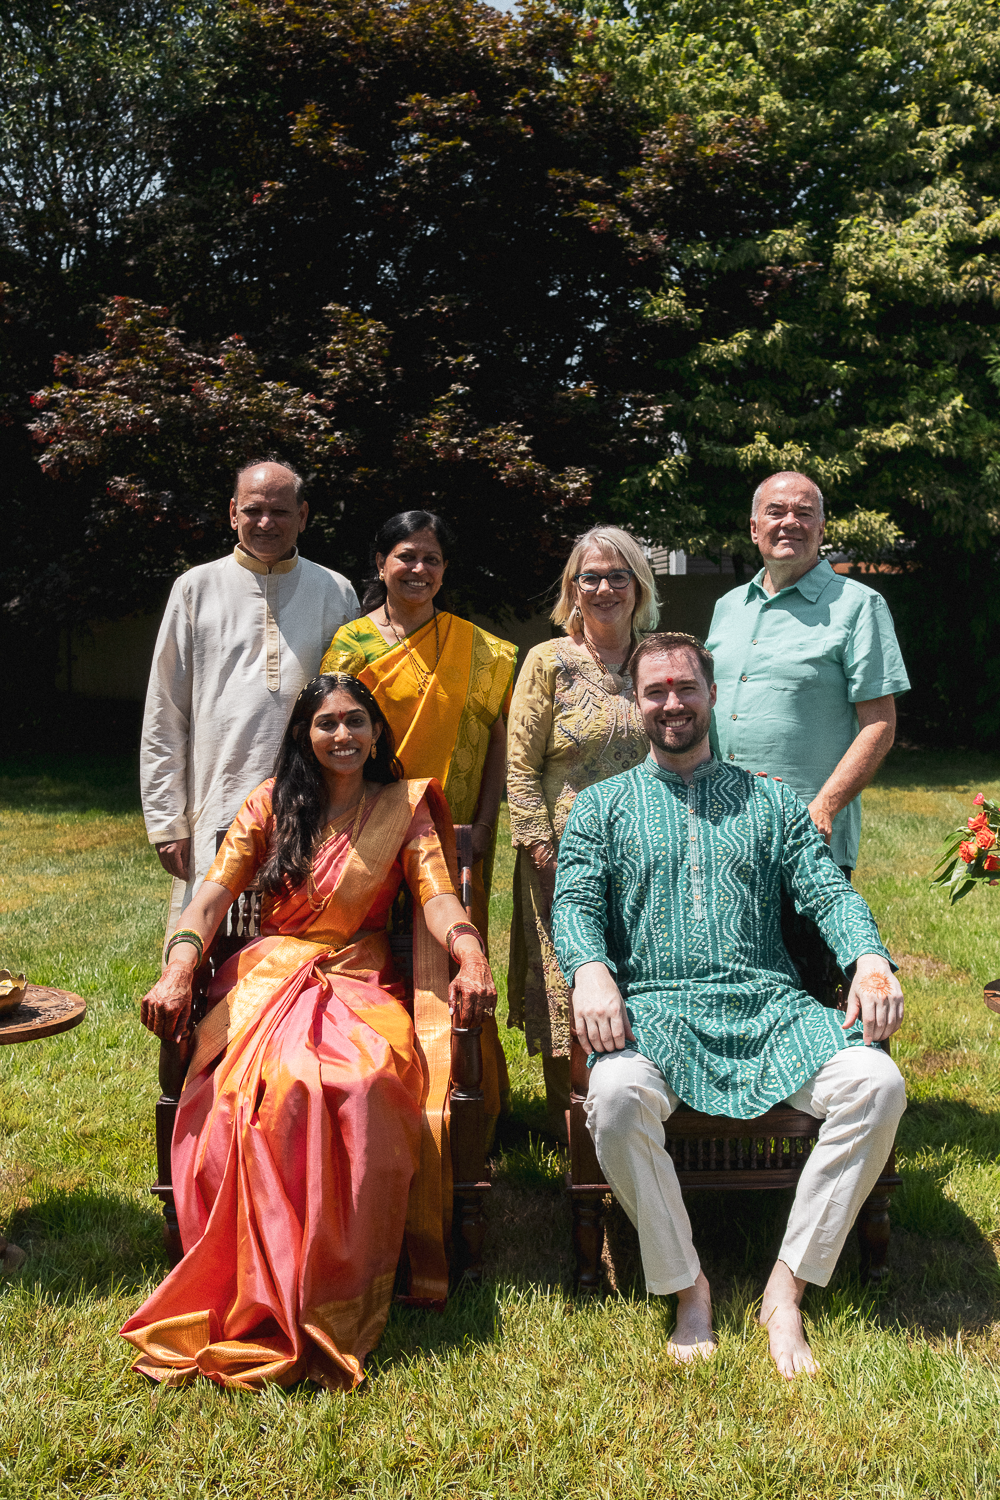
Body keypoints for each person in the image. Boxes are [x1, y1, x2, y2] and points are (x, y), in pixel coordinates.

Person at [123, 674, 496, 1391]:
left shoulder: (403, 808)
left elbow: (439, 896)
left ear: (377, 731)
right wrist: (178, 969)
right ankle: (258, 1281)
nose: (343, 735)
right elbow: (207, 902)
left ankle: (335, 1282)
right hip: (267, 979)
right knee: (264, 1088)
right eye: (326, 724)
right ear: (303, 735)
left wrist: (470, 950)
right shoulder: (268, 805)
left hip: (361, 983)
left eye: (356, 721)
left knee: (364, 1081)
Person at [551, 632, 906, 1378]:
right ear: (637, 702)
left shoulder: (771, 800)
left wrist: (868, 957)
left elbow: (826, 891)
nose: (672, 702)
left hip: (771, 1010)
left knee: (878, 1086)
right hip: (658, 1011)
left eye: (686, 687)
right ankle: (688, 1286)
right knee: (614, 1095)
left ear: (712, 695)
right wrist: (589, 971)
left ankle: (787, 1288)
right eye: (656, 691)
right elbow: (576, 902)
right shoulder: (600, 809)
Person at [321, 510, 516, 1125]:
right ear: (381, 565)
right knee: (375, 963)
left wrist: (484, 826)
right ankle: (382, 1100)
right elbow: (335, 737)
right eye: (406, 556)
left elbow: (499, 741)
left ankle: (470, 1112)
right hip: (369, 834)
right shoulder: (350, 646)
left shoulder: (479, 649)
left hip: (454, 837)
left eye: (432, 559)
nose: (419, 569)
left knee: (461, 965)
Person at [705, 471, 910, 998]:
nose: (789, 522)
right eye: (776, 512)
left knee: (808, 984)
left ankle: (827, 1078)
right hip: (721, 828)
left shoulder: (859, 605)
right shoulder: (728, 608)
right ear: (754, 528)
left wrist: (823, 809)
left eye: (804, 512)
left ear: (822, 528)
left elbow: (880, 724)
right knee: (732, 977)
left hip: (806, 833)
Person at [141, 460, 359, 939]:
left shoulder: (335, 591)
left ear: (303, 516)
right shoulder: (195, 589)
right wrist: (165, 821)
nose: (266, 522)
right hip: (218, 799)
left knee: (301, 940)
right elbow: (165, 713)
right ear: (233, 514)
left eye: (280, 511)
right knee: (211, 942)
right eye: (254, 510)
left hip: (314, 799)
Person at [506, 525, 657, 1139]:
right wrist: (542, 851)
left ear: (638, 586)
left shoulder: (659, 655)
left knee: (641, 972)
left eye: (617, 576)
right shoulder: (548, 661)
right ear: (571, 588)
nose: (603, 588)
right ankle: (571, 1126)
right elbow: (519, 763)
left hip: (650, 852)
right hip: (562, 855)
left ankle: (642, 1104)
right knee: (566, 977)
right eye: (589, 577)